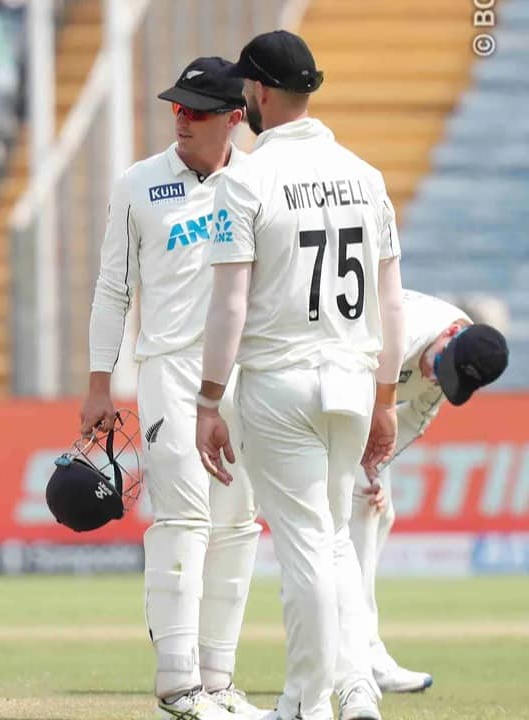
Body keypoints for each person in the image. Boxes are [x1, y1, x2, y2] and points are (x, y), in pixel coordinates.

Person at [194, 31, 405, 720]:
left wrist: (208, 400)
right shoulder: (366, 176)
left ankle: (306, 701)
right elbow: (391, 301)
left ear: (258, 91)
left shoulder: (244, 179)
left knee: (308, 547)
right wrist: (387, 398)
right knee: (334, 539)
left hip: (280, 381)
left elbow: (229, 303)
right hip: (353, 377)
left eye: (244, 87)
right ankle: (356, 687)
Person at [81, 57, 264, 720]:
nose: (182, 120)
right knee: (184, 519)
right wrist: (99, 383)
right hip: (170, 368)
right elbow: (113, 288)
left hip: (246, 373)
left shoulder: (260, 180)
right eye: (177, 108)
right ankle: (178, 682)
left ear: (235, 117)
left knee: (238, 525)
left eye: (198, 111)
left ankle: (218, 678)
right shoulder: (139, 184)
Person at [350, 291, 508, 693]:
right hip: (322, 396)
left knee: (379, 512)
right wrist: (360, 471)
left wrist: (373, 467)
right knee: (361, 511)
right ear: (451, 332)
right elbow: (346, 389)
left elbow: (413, 418)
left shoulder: (447, 362)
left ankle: (356, 653)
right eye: (440, 366)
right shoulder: (403, 331)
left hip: (357, 413)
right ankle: (358, 659)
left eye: (448, 378)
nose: (436, 378)